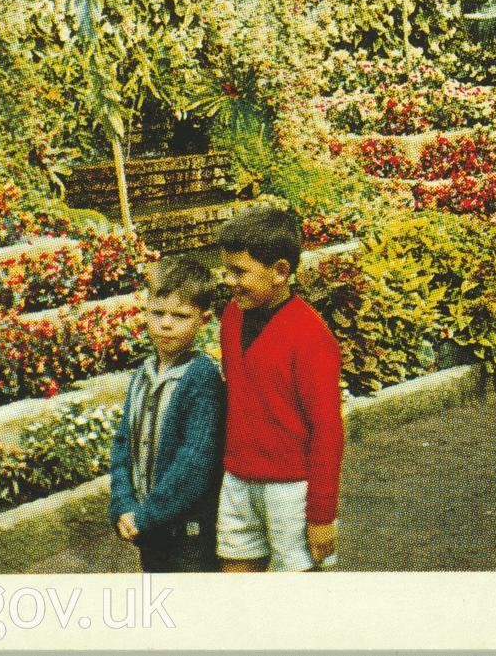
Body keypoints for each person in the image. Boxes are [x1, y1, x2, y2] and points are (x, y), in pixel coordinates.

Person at [216, 204, 343, 572]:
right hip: (238, 479)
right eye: (227, 270)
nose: (230, 280)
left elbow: (327, 430)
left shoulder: (310, 337)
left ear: (280, 272)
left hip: (291, 490)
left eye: (240, 271)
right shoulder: (232, 317)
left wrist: (321, 516)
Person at [109, 255, 226, 573]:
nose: (166, 323)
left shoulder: (201, 377)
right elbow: (123, 445)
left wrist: (144, 515)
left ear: (204, 319)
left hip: (188, 536)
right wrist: (123, 505)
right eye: (157, 312)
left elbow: (195, 463)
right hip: (148, 531)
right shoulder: (143, 373)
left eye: (180, 315)